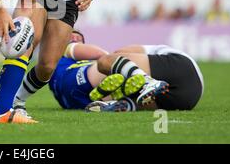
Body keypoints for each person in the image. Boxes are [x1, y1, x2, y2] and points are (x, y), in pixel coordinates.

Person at [48, 30, 204, 112]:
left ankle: (135, 93)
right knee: (110, 64)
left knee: (110, 65)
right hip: (188, 97)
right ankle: (129, 101)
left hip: (181, 77)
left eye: (78, 36)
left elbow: (116, 55)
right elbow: (107, 54)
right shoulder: (67, 50)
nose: (75, 39)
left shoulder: (55, 63)